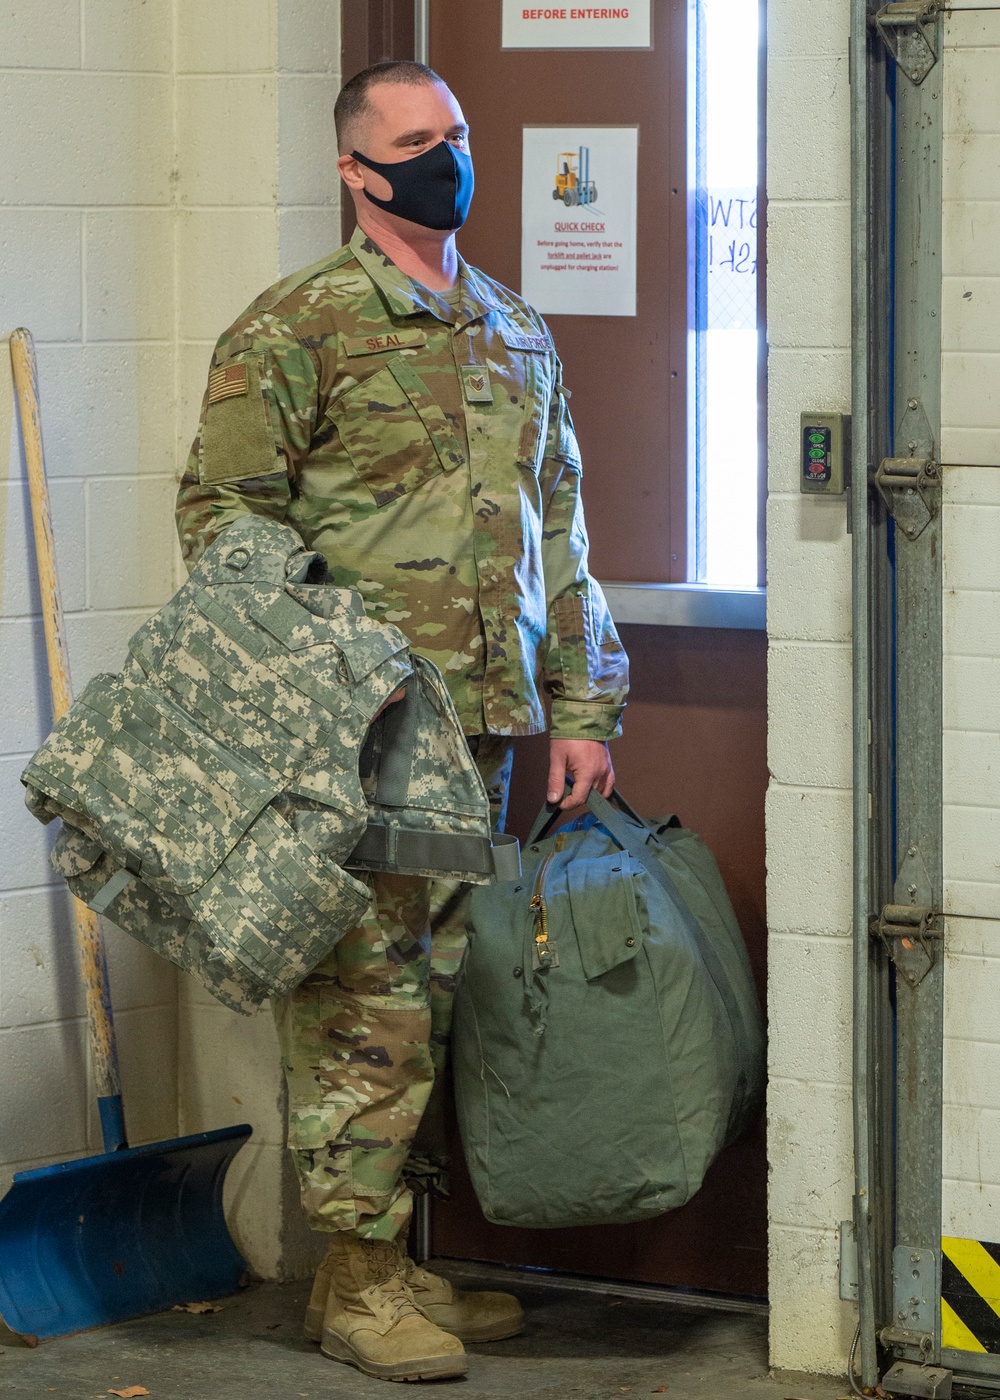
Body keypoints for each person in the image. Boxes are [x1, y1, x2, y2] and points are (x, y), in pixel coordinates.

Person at [175, 58, 629, 1383]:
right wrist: (325, 679)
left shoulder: (512, 327)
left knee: (428, 984)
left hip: (478, 728)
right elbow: (221, 528)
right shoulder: (296, 328)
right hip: (356, 733)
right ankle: (357, 1278)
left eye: (460, 135)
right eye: (419, 141)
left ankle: (376, 1260)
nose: (450, 159)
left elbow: (562, 533)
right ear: (354, 169)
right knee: (360, 991)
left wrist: (583, 708)